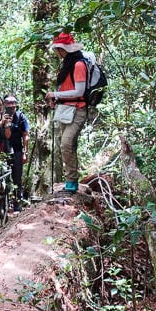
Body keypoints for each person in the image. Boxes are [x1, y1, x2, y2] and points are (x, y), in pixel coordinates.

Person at [44, 32, 99, 193]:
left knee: (66, 143)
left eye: (58, 49)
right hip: (65, 109)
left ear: (64, 49)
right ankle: (71, 181)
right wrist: (57, 99)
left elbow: (79, 91)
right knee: (68, 145)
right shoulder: (67, 64)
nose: (57, 52)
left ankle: (72, 181)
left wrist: (55, 95)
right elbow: (67, 88)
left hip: (78, 110)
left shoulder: (78, 65)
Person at [2, 93, 29, 208]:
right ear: (4, 104)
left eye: (13, 103)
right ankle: (3, 204)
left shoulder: (21, 117)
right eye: (9, 103)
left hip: (17, 151)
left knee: (17, 178)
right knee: (4, 178)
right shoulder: (0, 117)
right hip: (3, 152)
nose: (11, 105)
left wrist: (25, 152)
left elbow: (25, 135)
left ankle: (18, 202)